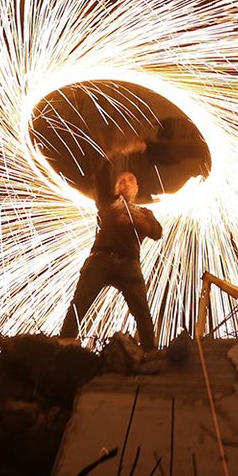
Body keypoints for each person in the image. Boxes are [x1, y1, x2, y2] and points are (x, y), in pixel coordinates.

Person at [59, 136, 163, 350]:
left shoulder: (145, 212)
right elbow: (100, 175)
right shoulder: (107, 203)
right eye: (121, 181)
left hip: (129, 265)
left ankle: (151, 353)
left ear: (137, 188)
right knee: (78, 307)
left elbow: (157, 232)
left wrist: (136, 220)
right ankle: (61, 347)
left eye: (130, 180)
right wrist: (115, 153)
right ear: (115, 189)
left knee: (142, 312)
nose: (126, 183)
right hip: (100, 259)